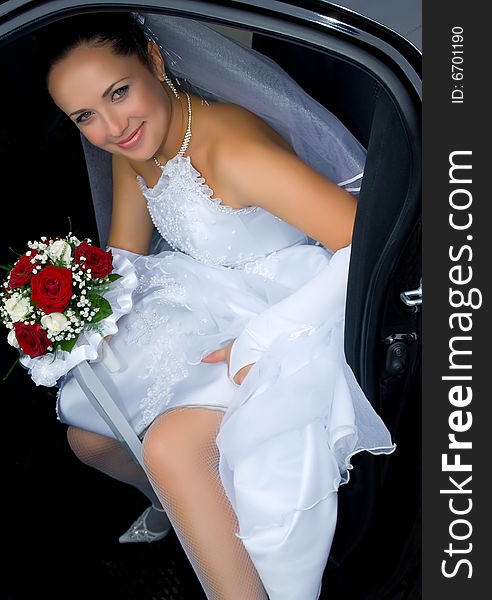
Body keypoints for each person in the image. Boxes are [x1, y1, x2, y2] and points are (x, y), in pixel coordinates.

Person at [40, 11, 395, 600]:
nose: (111, 126)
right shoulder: (136, 143)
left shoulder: (230, 149)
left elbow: (366, 240)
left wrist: (264, 335)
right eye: (85, 116)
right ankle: (196, 517)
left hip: (292, 305)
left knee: (170, 445)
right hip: (207, 297)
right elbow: (126, 256)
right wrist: (68, 309)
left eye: (118, 92)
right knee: (91, 440)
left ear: (154, 60)